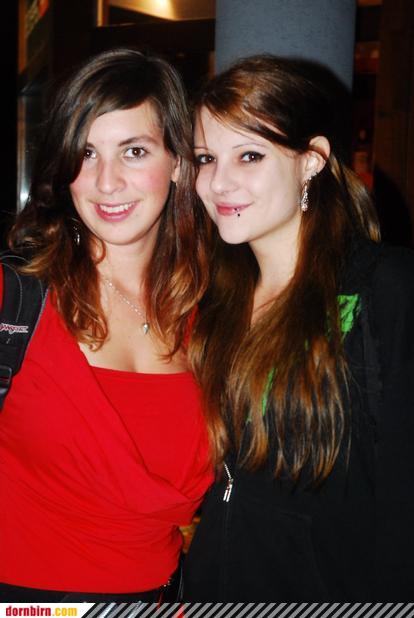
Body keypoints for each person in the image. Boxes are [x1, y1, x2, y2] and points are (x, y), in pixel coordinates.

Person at [184, 54, 414, 601]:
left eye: (250, 155)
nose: (219, 182)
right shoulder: (211, 298)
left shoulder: (386, 288)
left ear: (311, 161)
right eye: (206, 158)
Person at [0, 47, 213, 602]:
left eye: (134, 151)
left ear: (179, 162)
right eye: (87, 152)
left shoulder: (212, 311)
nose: (106, 181)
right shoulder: (13, 298)